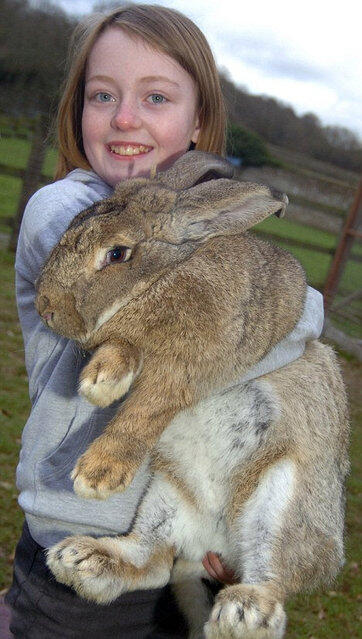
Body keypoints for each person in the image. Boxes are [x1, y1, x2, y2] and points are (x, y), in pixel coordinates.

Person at [5, 4, 324, 638]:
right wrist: (262, 309)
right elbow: (283, 315)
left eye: (156, 97)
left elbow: (299, 312)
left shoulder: (181, 234)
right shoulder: (67, 212)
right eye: (103, 95)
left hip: (182, 546)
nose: (125, 118)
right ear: (77, 108)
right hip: (84, 540)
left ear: (197, 119)